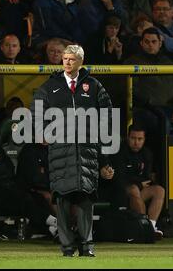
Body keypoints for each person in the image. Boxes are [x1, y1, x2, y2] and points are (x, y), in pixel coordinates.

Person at [30, 44, 114, 257]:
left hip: (87, 151)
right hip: (60, 152)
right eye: (65, 58)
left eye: (72, 59)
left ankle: (87, 245)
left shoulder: (94, 86)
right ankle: (67, 247)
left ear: (81, 62)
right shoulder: (50, 86)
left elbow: (107, 117)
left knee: (86, 199)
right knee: (63, 200)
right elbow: (36, 112)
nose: (67, 62)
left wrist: (104, 156)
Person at [110, 124, 165, 238]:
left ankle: (151, 226)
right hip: (121, 192)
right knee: (134, 189)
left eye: (140, 139)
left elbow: (147, 177)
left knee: (159, 190)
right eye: (133, 138)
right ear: (127, 137)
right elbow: (120, 178)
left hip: (139, 190)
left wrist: (139, 183)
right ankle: (144, 228)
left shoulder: (147, 153)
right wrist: (139, 183)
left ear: (144, 139)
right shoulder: (119, 152)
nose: (136, 142)